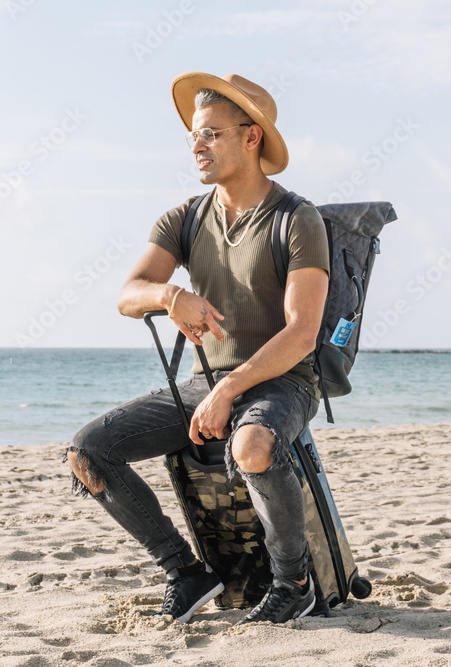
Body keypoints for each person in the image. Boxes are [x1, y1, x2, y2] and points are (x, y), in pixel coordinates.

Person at [63, 72, 330, 626]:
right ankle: (186, 572)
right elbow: (127, 295)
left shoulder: (297, 219)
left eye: (210, 134)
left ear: (250, 136)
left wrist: (230, 391)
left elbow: (303, 332)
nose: (196, 147)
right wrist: (171, 295)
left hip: (283, 380)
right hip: (208, 380)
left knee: (251, 446)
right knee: (89, 452)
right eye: (192, 136)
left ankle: (293, 584)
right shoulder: (184, 218)